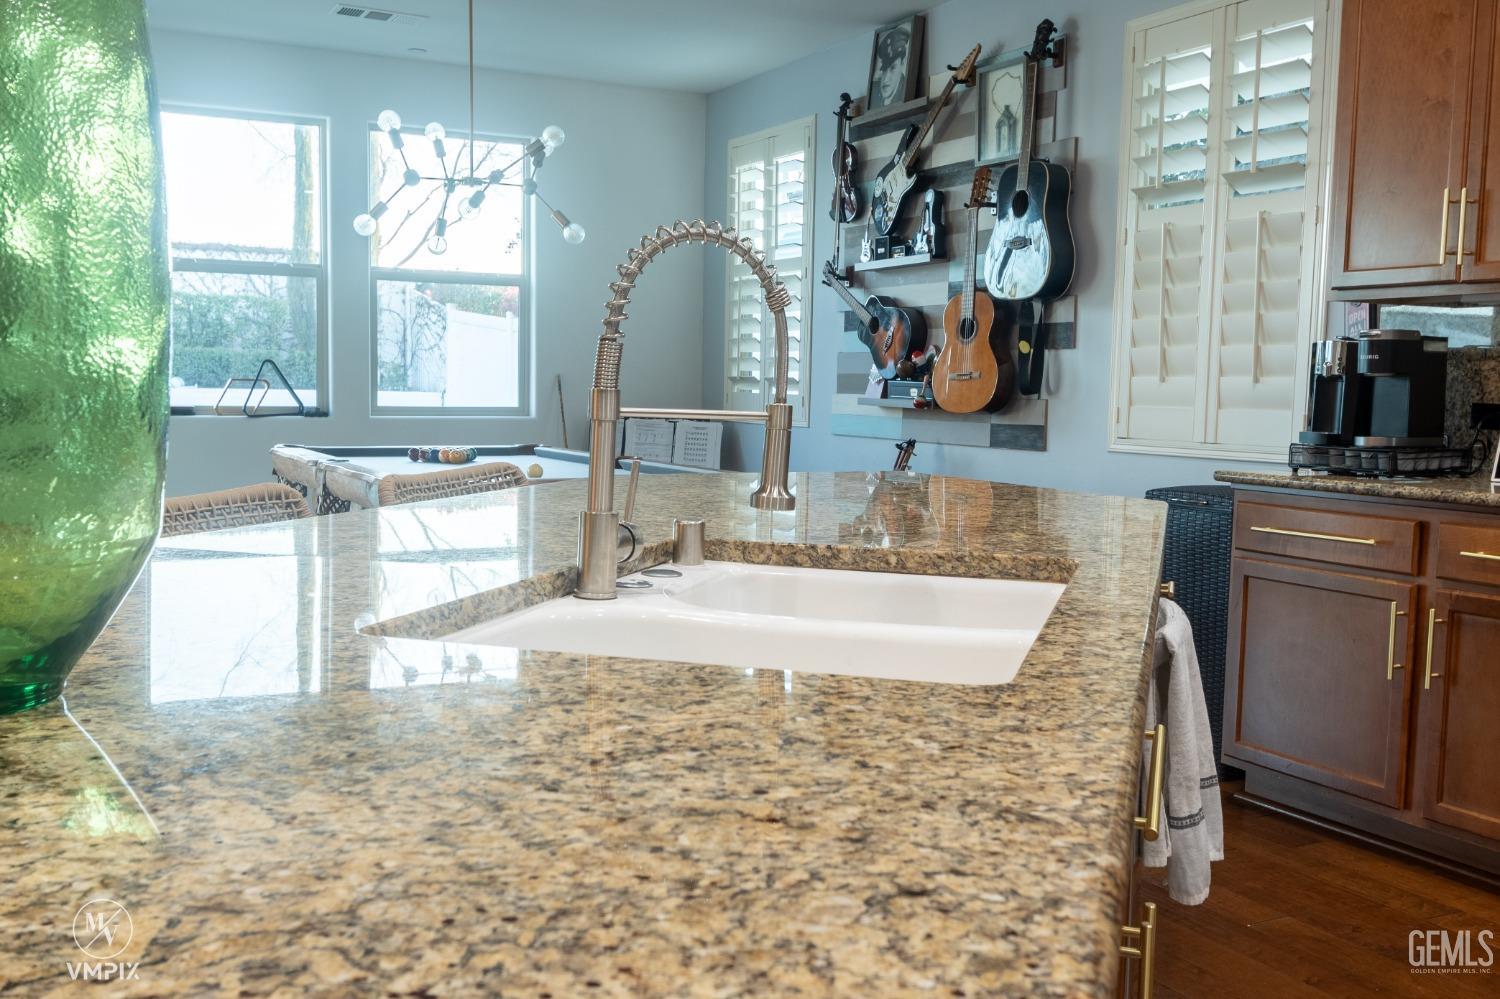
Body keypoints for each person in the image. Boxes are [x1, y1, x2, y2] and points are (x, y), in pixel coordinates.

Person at [872, 25, 911, 109]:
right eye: (884, 69)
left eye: (893, 68)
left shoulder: (907, 90)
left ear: (903, 64)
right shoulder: (874, 92)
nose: (886, 79)